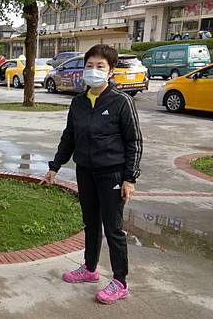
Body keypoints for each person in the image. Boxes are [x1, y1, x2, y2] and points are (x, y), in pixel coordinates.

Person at [42, 44, 142, 305]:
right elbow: (70, 137)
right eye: (89, 66)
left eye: (100, 67)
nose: (94, 71)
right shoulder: (79, 102)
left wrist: (129, 178)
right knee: (90, 224)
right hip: (85, 171)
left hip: (112, 174)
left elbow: (134, 142)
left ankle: (120, 281)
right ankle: (89, 269)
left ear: (110, 72)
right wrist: (55, 166)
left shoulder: (122, 102)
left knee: (113, 229)